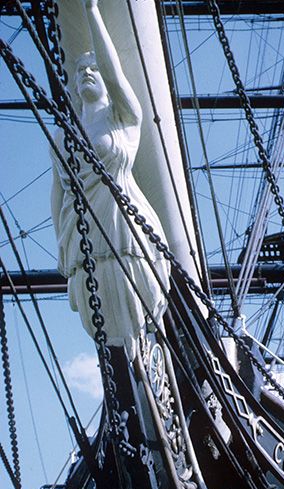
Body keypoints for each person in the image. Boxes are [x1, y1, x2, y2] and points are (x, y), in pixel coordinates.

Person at [51, 0, 171, 359]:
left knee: (132, 293)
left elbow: (116, 74)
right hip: (83, 232)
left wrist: (92, 12)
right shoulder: (62, 137)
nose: (87, 72)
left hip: (125, 226)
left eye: (94, 69)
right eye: (80, 70)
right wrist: (61, 242)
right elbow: (58, 193)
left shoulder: (124, 121)